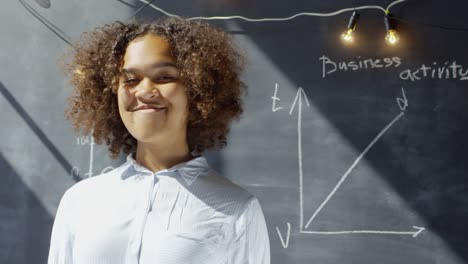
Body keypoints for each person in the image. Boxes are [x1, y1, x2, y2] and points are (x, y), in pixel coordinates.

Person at [47, 17, 270, 264]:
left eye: (164, 77)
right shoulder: (80, 200)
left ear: (197, 89)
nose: (144, 91)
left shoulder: (235, 209)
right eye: (130, 79)